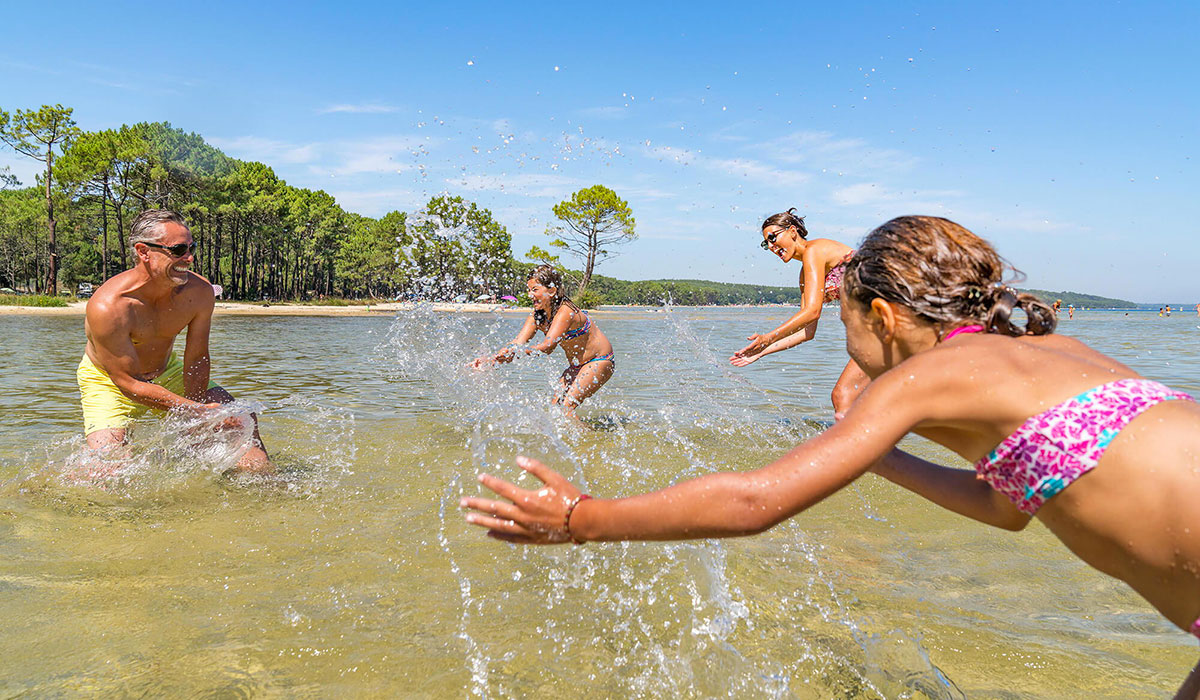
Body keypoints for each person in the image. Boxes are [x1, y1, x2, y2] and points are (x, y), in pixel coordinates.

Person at [463, 216, 1200, 695]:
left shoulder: (932, 374)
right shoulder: (1056, 351)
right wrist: (869, 454)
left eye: (848, 325)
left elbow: (754, 504)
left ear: (881, 316)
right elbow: (1004, 508)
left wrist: (586, 518)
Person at [78, 209, 271, 474]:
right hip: (108, 382)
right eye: (179, 250)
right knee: (107, 468)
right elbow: (128, 383)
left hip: (167, 371)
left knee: (242, 417)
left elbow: (196, 359)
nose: (189, 258)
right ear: (143, 252)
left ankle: (265, 483)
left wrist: (198, 420)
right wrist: (198, 411)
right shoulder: (108, 307)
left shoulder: (200, 293)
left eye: (192, 248)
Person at [729, 208, 868, 418]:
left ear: (793, 231)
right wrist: (762, 350)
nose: (771, 246)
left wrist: (768, 338)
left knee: (843, 396)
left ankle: (855, 449)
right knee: (855, 399)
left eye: (773, 238)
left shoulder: (815, 250)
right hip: (878, 329)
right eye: (766, 243)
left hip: (895, 316)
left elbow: (812, 312)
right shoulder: (805, 273)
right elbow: (806, 332)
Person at [472, 265, 615, 424]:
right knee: (555, 408)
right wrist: (491, 360)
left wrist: (519, 351)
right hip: (577, 367)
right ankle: (573, 443)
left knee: (566, 407)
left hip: (600, 360)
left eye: (534, 290)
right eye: (528, 290)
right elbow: (517, 343)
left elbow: (548, 347)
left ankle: (587, 444)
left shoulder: (565, 311)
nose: (530, 295)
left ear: (552, 291)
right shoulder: (537, 316)